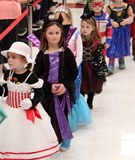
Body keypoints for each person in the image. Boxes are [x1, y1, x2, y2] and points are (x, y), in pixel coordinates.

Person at [0, 42, 59, 159]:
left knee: (24, 137)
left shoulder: (31, 76)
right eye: (8, 57)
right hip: (8, 109)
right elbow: (5, 93)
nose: (10, 60)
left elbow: (40, 94)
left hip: (24, 111)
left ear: (24, 61)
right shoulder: (8, 73)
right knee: (9, 137)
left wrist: (31, 103)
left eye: (14, 57)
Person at [33, 20, 78, 152]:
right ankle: (50, 139)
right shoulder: (42, 54)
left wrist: (64, 85)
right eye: (50, 33)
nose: (54, 36)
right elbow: (36, 74)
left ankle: (64, 138)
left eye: (57, 33)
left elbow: (74, 72)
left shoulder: (66, 52)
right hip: (46, 92)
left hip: (63, 91)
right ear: (45, 35)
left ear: (62, 34)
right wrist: (47, 86)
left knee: (62, 115)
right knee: (47, 115)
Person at [55, 5, 92, 132]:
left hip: (73, 70)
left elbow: (79, 55)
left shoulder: (75, 34)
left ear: (70, 20)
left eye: (62, 19)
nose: (59, 22)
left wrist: (72, 68)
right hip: (58, 70)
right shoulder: (55, 34)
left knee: (72, 93)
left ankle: (71, 121)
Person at [80, 9, 108, 110]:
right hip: (82, 66)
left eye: (87, 27)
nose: (84, 29)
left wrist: (99, 66)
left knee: (91, 84)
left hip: (92, 67)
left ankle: (90, 102)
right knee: (82, 85)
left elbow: (99, 55)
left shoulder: (96, 41)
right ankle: (82, 103)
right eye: (82, 26)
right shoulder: (78, 39)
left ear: (93, 28)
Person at [106, 0, 134, 74]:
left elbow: (131, 16)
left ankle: (121, 59)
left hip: (123, 30)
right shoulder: (109, 7)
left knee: (122, 44)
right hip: (113, 31)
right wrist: (111, 22)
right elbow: (106, 17)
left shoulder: (127, 6)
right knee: (112, 46)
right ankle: (111, 63)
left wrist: (127, 21)